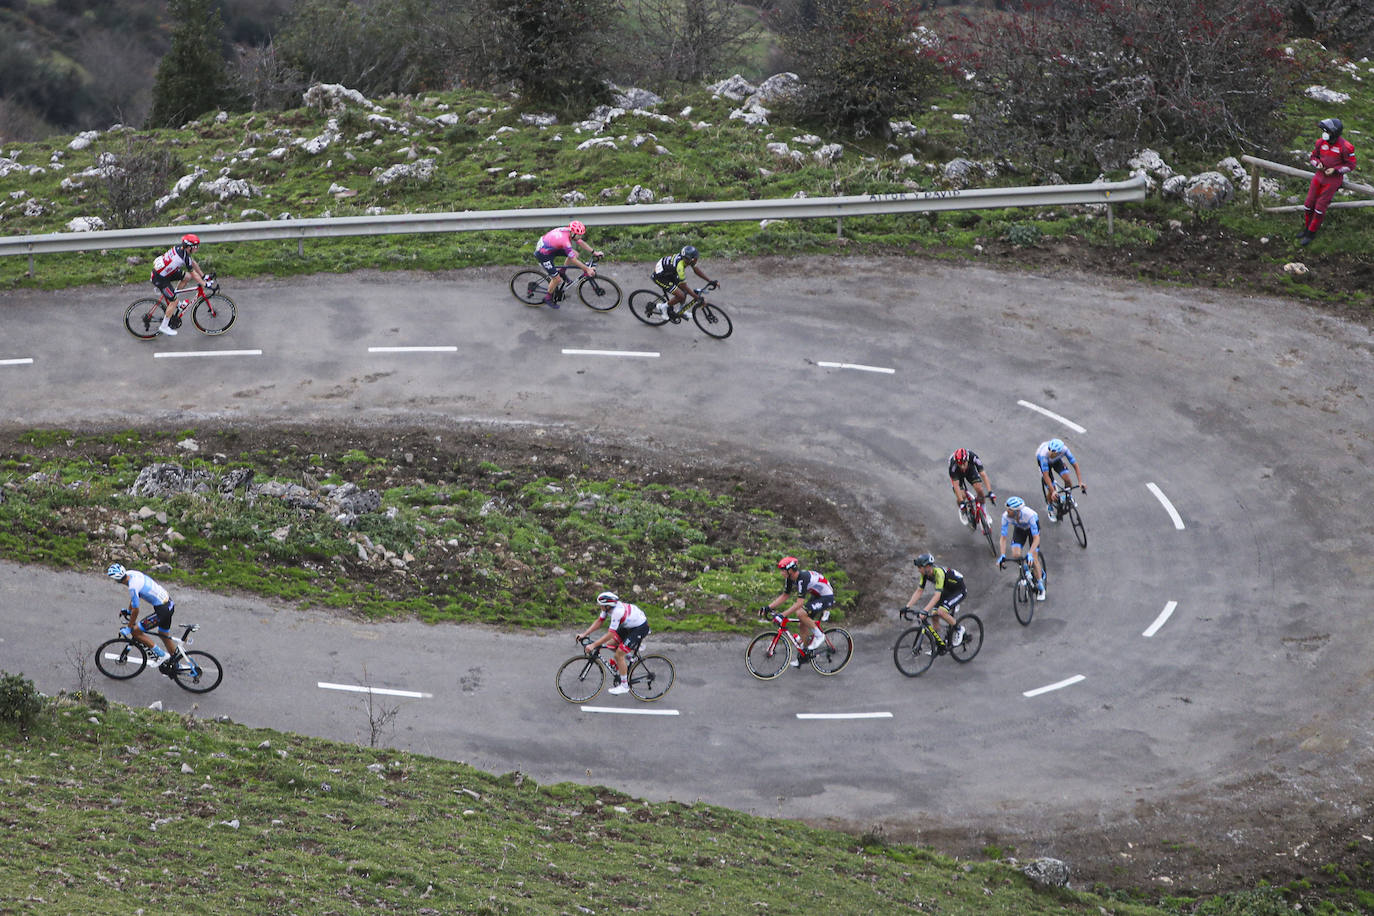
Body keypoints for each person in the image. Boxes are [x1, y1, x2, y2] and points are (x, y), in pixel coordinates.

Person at [106, 562, 180, 673]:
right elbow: (136, 597)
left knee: (136, 632)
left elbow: (136, 609)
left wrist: (130, 627)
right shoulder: (131, 573)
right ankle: (175, 664)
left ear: (117, 580)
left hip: (162, 610)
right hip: (169, 604)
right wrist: (128, 611)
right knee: (163, 635)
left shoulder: (132, 587)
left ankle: (161, 656)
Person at [760, 556, 833, 666]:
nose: (781, 573)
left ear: (790, 570)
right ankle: (805, 655)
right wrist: (768, 607)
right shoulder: (790, 579)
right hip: (817, 596)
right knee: (802, 624)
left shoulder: (802, 578)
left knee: (800, 613)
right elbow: (785, 595)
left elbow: (800, 603)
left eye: (783, 570)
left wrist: (782, 615)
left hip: (826, 597)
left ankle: (819, 636)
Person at [575, 591, 650, 695]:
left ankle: (624, 686)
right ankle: (629, 657)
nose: (599, 606)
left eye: (601, 605)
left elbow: (610, 634)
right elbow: (599, 621)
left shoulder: (616, 612)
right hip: (629, 626)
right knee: (610, 644)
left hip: (639, 628)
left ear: (607, 606)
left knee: (618, 654)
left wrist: (593, 645)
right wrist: (584, 634)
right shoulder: (608, 608)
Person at [1299, 117, 1356, 246]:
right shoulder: (1320, 142)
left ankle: (1311, 233)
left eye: (1327, 131)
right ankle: (1306, 229)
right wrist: (1317, 164)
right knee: (1308, 204)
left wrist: (1335, 170)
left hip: (1332, 181)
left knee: (1319, 208)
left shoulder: (1346, 147)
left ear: (1334, 133)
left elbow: (1351, 165)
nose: (1324, 133)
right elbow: (1313, 157)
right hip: (1318, 177)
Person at [149, 234, 212, 336]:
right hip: (160, 278)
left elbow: (192, 262)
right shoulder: (182, 255)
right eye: (195, 246)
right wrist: (204, 283)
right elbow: (193, 273)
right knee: (174, 301)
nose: (197, 248)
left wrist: (203, 276)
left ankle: (175, 302)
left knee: (186, 277)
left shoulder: (181, 249)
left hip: (164, 273)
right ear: (189, 247)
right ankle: (164, 326)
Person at [901, 553, 966, 647]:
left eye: (920, 567)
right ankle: (938, 644)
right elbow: (919, 591)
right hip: (947, 591)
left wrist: (925, 610)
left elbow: (937, 596)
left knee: (941, 612)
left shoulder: (938, 573)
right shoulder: (925, 574)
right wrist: (907, 606)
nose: (918, 570)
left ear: (927, 567)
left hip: (958, 590)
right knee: (934, 616)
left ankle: (959, 629)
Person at [534, 220, 601, 308]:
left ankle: (562, 272)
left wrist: (594, 252)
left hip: (550, 247)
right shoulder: (565, 241)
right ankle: (547, 298)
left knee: (575, 253)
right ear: (573, 233)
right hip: (543, 253)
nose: (580, 236)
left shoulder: (569, 232)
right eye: (579, 235)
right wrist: (587, 269)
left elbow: (581, 242)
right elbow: (573, 260)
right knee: (557, 280)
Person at [647, 245, 716, 319]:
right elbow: (684, 286)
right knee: (681, 295)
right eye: (695, 259)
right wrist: (696, 297)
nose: (696, 260)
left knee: (684, 292)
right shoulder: (680, 266)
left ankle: (681, 310)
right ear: (689, 259)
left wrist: (710, 281)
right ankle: (663, 307)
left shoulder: (686, 259)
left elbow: (696, 270)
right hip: (660, 277)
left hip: (669, 271)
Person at [997, 497, 1045, 600]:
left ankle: (1041, 585)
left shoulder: (1030, 515)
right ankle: (1025, 570)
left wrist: (1030, 553)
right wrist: (1002, 555)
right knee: (1015, 554)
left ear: (1016, 511)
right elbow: (1003, 538)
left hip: (1032, 531)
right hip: (1019, 530)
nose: (1006, 511)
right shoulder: (1006, 516)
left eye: (1009, 510)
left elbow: (1036, 539)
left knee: (1034, 557)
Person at [1036, 437, 1085, 523]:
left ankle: (1067, 497)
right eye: (1050, 451)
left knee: (1068, 480)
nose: (1050, 453)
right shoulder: (1044, 454)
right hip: (1044, 463)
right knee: (1052, 490)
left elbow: (1075, 465)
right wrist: (1053, 491)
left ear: (1059, 452)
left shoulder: (1064, 450)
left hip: (1057, 461)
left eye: (1053, 453)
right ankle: (1050, 507)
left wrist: (1080, 482)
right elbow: (1046, 475)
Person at [948, 447, 996, 525]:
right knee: (962, 495)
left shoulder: (974, 458)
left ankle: (984, 512)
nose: (962, 467)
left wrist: (990, 492)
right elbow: (956, 485)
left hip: (970, 470)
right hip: (957, 474)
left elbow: (983, 475)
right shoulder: (953, 467)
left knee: (979, 489)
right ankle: (962, 511)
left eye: (964, 464)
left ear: (967, 460)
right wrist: (961, 502)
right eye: (960, 464)